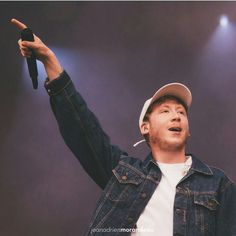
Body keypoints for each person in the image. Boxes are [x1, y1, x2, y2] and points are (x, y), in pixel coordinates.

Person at [11, 18, 236, 236]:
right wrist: (50, 60)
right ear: (145, 127)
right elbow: (82, 129)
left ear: (188, 130)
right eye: (165, 111)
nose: (176, 116)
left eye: (181, 112)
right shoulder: (123, 172)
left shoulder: (218, 184)